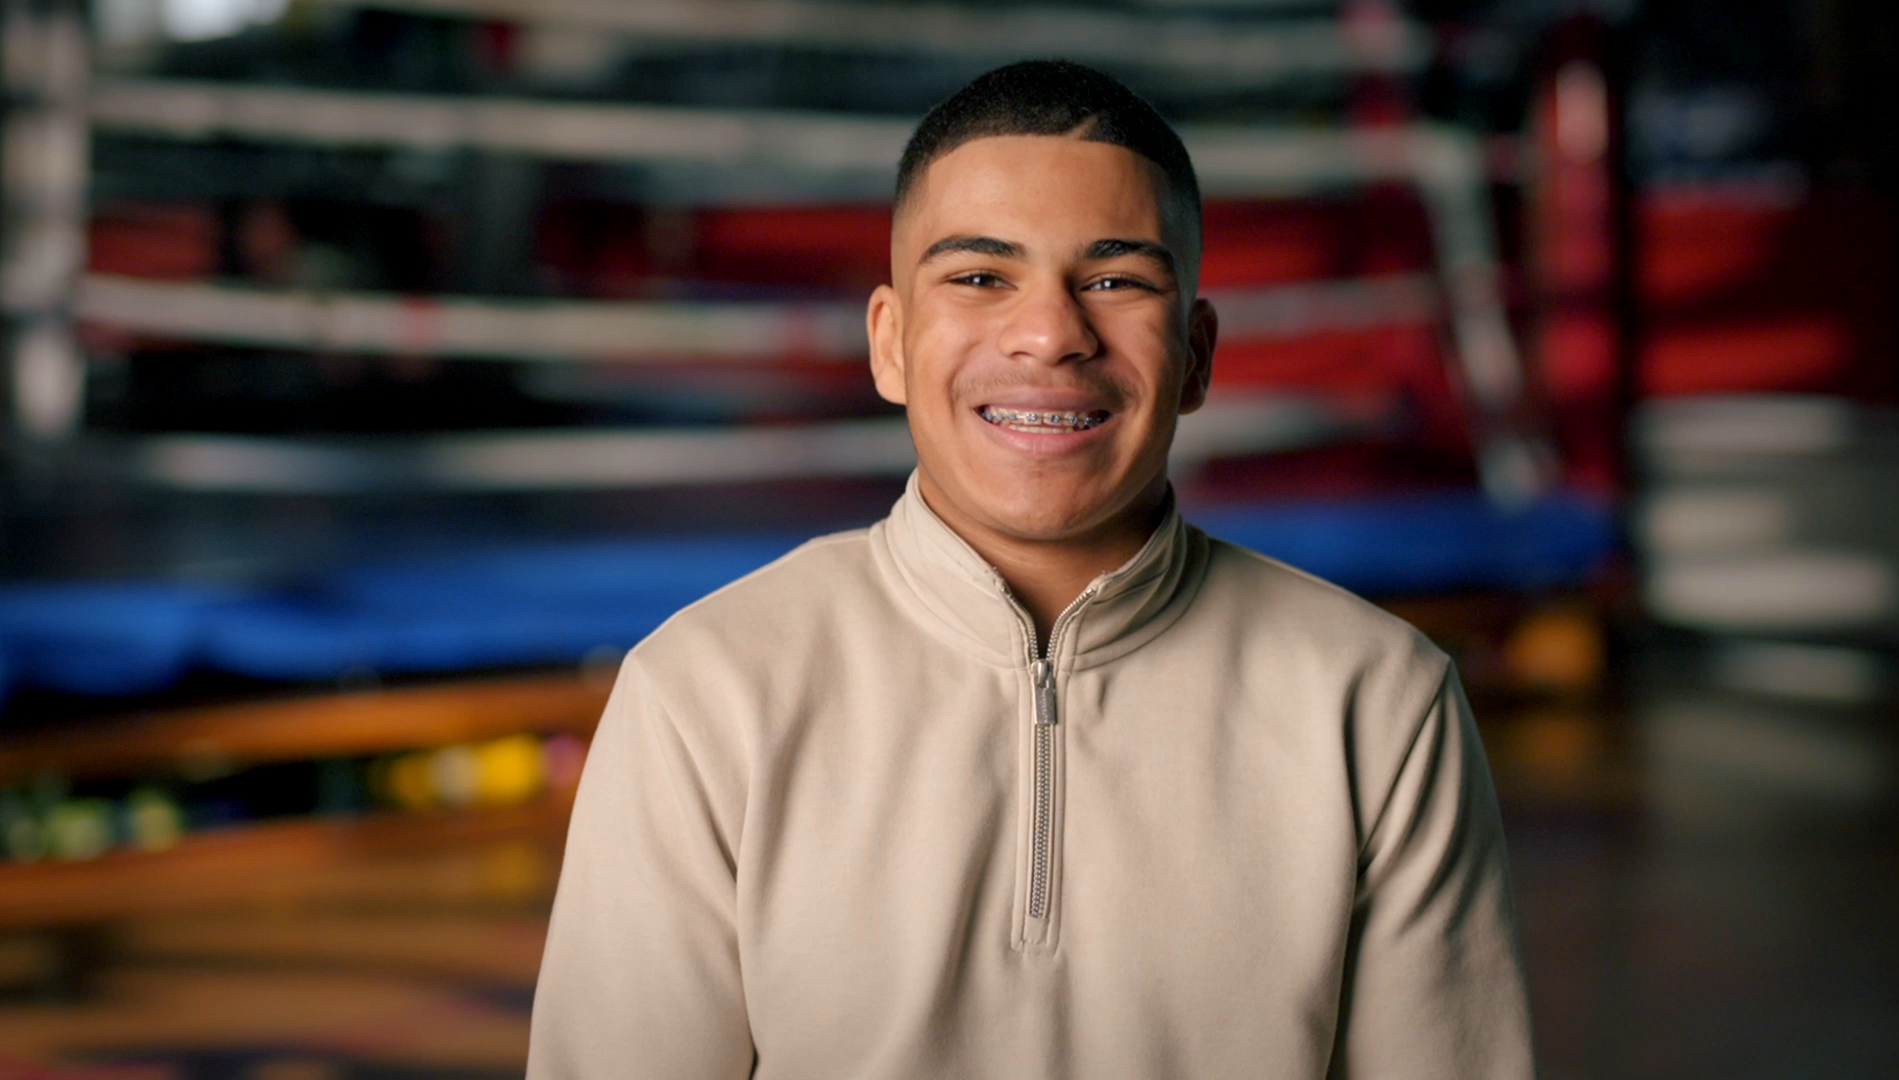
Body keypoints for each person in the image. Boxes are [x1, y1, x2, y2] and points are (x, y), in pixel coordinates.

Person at [528, 59, 1534, 1079]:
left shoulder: (1376, 702)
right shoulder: (707, 694)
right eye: (978, 276)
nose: (1051, 333)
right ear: (890, 342)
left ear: (1196, 354)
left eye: (1114, 280)